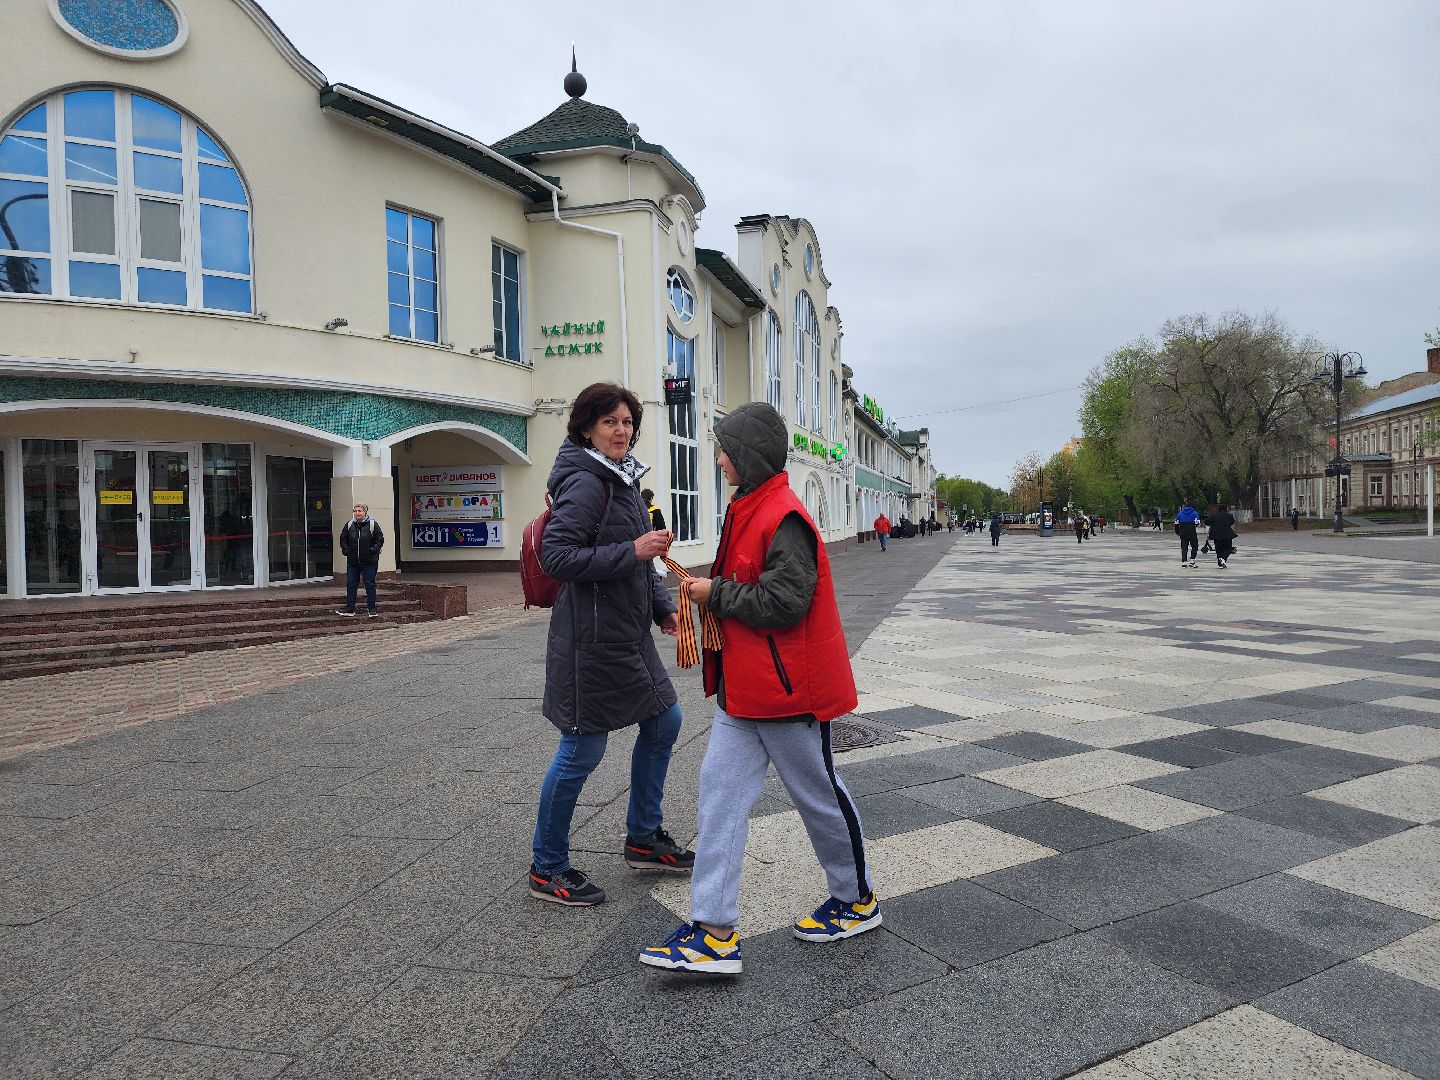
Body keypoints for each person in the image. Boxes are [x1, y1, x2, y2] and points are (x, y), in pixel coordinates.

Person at [639, 402, 873, 976]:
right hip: (746, 692)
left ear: (748, 455)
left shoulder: (783, 514)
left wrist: (713, 593)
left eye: (724, 449)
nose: (718, 459)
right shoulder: (752, 505)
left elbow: (785, 604)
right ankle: (715, 931)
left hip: (790, 695)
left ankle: (855, 899)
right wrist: (714, 591)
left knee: (818, 796)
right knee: (718, 797)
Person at [529, 382, 691, 907]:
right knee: (581, 749)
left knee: (665, 720)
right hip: (590, 640)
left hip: (628, 633)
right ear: (586, 428)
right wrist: (632, 548)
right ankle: (546, 865)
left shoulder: (622, 480)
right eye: (610, 423)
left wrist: (663, 609)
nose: (621, 431)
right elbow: (557, 558)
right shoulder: (585, 483)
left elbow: (641, 559)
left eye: (627, 423)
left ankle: (643, 837)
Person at [336, 503, 384, 618]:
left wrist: (372, 551)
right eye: (355, 511)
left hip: (369, 562)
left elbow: (379, 539)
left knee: (370, 585)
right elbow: (343, 539)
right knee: (351, 585)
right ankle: (350, 609)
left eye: (360, 511)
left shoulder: (372, 524)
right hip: (353, 563)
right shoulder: (349, 525)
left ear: (365, 512)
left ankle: (372, 609)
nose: (357, 513)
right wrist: (346, 551)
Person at [1210, 503, 1238, 568]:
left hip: (1216, 536)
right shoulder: (1229, 515)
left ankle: (1220, 564)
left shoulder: (1214, 516)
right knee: (1228, 548)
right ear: (1226, 509)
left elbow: (1207, 522)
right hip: (1227, 535)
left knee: (1218, 549)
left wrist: (1214, 524)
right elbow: (1232, 522)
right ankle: (1223, 558)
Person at [1175, 500, 1200, 567]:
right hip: (1192, 532)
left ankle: (1184, 562)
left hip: (1183, 532)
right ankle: (1192, 560)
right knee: (1195, 546)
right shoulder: (1195, 513)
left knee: (1184, 547)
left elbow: (1176, 523)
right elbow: (1197, 523)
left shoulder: (1180, 514)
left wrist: (1177, 532)